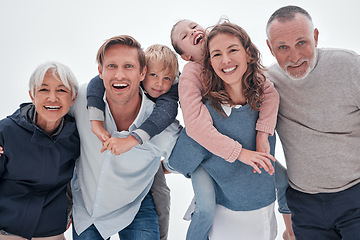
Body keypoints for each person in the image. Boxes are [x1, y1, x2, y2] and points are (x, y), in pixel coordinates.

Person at [166, 21, 292, 240]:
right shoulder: (191, 73)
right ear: (185, 56)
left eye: (194, 26)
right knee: (205, 206)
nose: (193, 32)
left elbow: (270, 92)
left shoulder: (239, 66)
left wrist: (263, 133)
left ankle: (290, 231)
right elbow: (196, 126)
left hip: (228, 147)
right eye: (185, 36)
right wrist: (240, 153)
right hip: (201, 154)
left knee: (283, 181)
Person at [69, 35, 181, 240]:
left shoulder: (161, 123)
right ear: (100, 72)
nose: (119, 75)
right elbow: (42, 117)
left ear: (141, 73)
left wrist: (165, 168)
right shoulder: (83, 98)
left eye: (128, 66)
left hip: (135, 205)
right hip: (87, 208)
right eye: (111, 66)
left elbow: (189, 155)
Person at [265, 5, 360, 240]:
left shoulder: (350, 66)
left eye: (301, 43)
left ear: (315, 37)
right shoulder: (268, 82)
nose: (295, 57)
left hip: (355, 195)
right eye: (283, 48)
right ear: (270, 48)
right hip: (305, 207)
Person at [0, 61, 80, 240]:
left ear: (73, 98)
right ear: (32, 95)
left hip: (51, 232)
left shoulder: (77, 136)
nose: (52, 97)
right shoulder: (6, 132)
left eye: (61, 90)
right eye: (44, 90)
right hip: (6, 231)